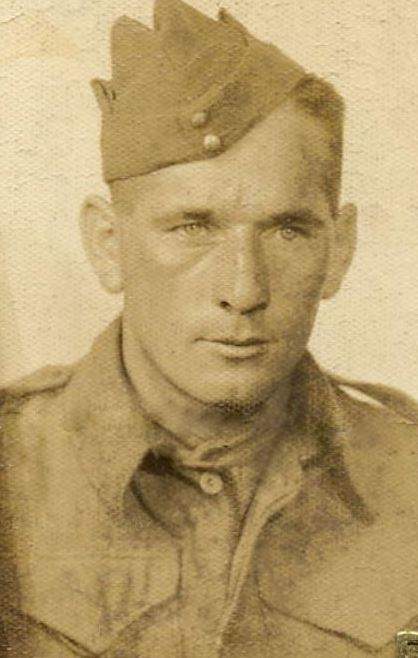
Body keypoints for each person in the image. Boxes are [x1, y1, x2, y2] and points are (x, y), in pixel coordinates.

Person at [1, 0, 417, 656]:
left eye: (288, 230)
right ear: (108, 245)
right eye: (192, 228)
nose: (244, 291)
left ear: (339, 251)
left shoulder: (407, 470)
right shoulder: (13, 469)